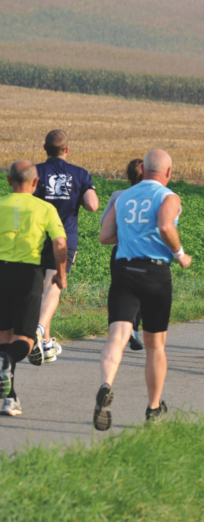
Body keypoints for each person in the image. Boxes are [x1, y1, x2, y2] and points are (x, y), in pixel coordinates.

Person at [95, 150, 192, 429]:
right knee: (155, 346)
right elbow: (164, 225)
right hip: (154, 273)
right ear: (169, 171)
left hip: (124, 271)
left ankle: (105, 384)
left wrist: (129, 236)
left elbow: (105, 236)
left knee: (117, 336)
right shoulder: (169, 197)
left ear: (144, 169)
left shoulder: (123, 197)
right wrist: (180, 254)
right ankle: (153, 408)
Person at [0, 161, 68, 418]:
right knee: (25, 341)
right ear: (36, 182)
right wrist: (61, 275)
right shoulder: (45, 208)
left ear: (8, 181)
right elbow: (60, 243)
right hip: (28, 274)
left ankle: (10, 399)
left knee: (3, 338)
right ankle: (7, 368)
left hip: (1, 271)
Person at [34, 129, 99, 364]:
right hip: (65, 237)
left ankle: (47, 345)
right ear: (67, 150)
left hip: (37, 238)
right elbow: (92, 205)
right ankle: (39, 329)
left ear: (45, 149)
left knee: (43, 291)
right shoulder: (79, 173)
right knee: (54, 288)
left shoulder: (36, 172)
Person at [100, 158, 147, 351]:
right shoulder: (153, 197)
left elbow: (104, 223)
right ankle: (133, 328)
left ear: (127, 175)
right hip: (144, 252)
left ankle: (121, 330)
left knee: (121, 291)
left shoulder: (118, 195)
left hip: (120, 250)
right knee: (143, 293)